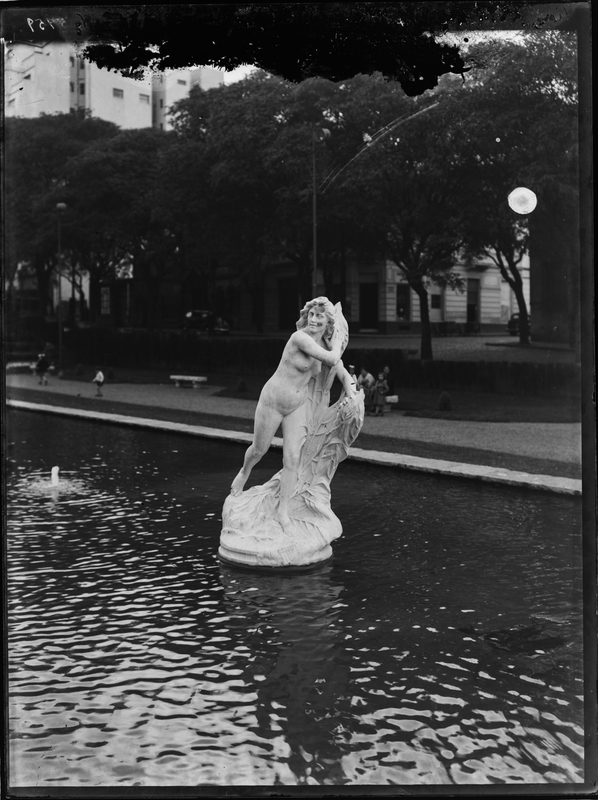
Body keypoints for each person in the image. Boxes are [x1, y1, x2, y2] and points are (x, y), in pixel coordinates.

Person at [230, 297, 357, 529]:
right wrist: (338, 341)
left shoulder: (323, 345)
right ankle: (244, 473)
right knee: (259, 450)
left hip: (296, 405)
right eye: (311, 315)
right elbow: (333, 358)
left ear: (328, 321)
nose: (314, 319)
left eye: (320, 316)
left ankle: (283, 511)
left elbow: (337, 367)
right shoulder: (299, 338)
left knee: (292, 459)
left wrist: (349, 386)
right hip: (274, 400)